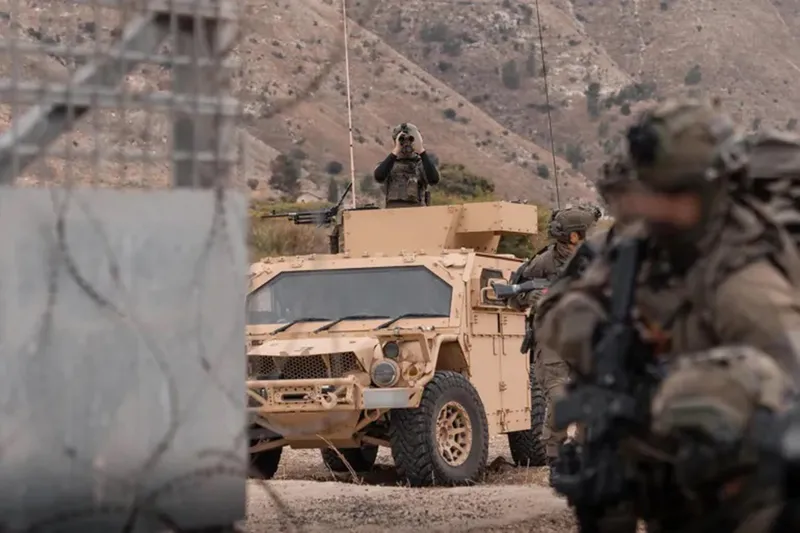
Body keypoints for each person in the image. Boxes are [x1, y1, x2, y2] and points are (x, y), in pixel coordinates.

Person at [537, 97, 800, 532]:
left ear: (712, 190)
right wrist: (607, 339)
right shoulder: (639, 249)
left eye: (673, 196)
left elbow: (788, 422)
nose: (655, 210)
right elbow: (555, 311)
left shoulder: (747, 285)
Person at [507, 205, 599, 481]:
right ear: (573, 236)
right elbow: (512, 296)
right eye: (585, 231)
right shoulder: (542, 263)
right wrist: (533, 298)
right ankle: (555, 457)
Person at [373, 123, 440, 208]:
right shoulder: (389, 164)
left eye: (411, 139)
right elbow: (379, 176)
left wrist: (421, 150)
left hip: (417, 211)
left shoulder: (420, 164)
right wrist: (396, 150)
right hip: (393, 212)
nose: (406, 143)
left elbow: (434, 180)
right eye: (402, 140)